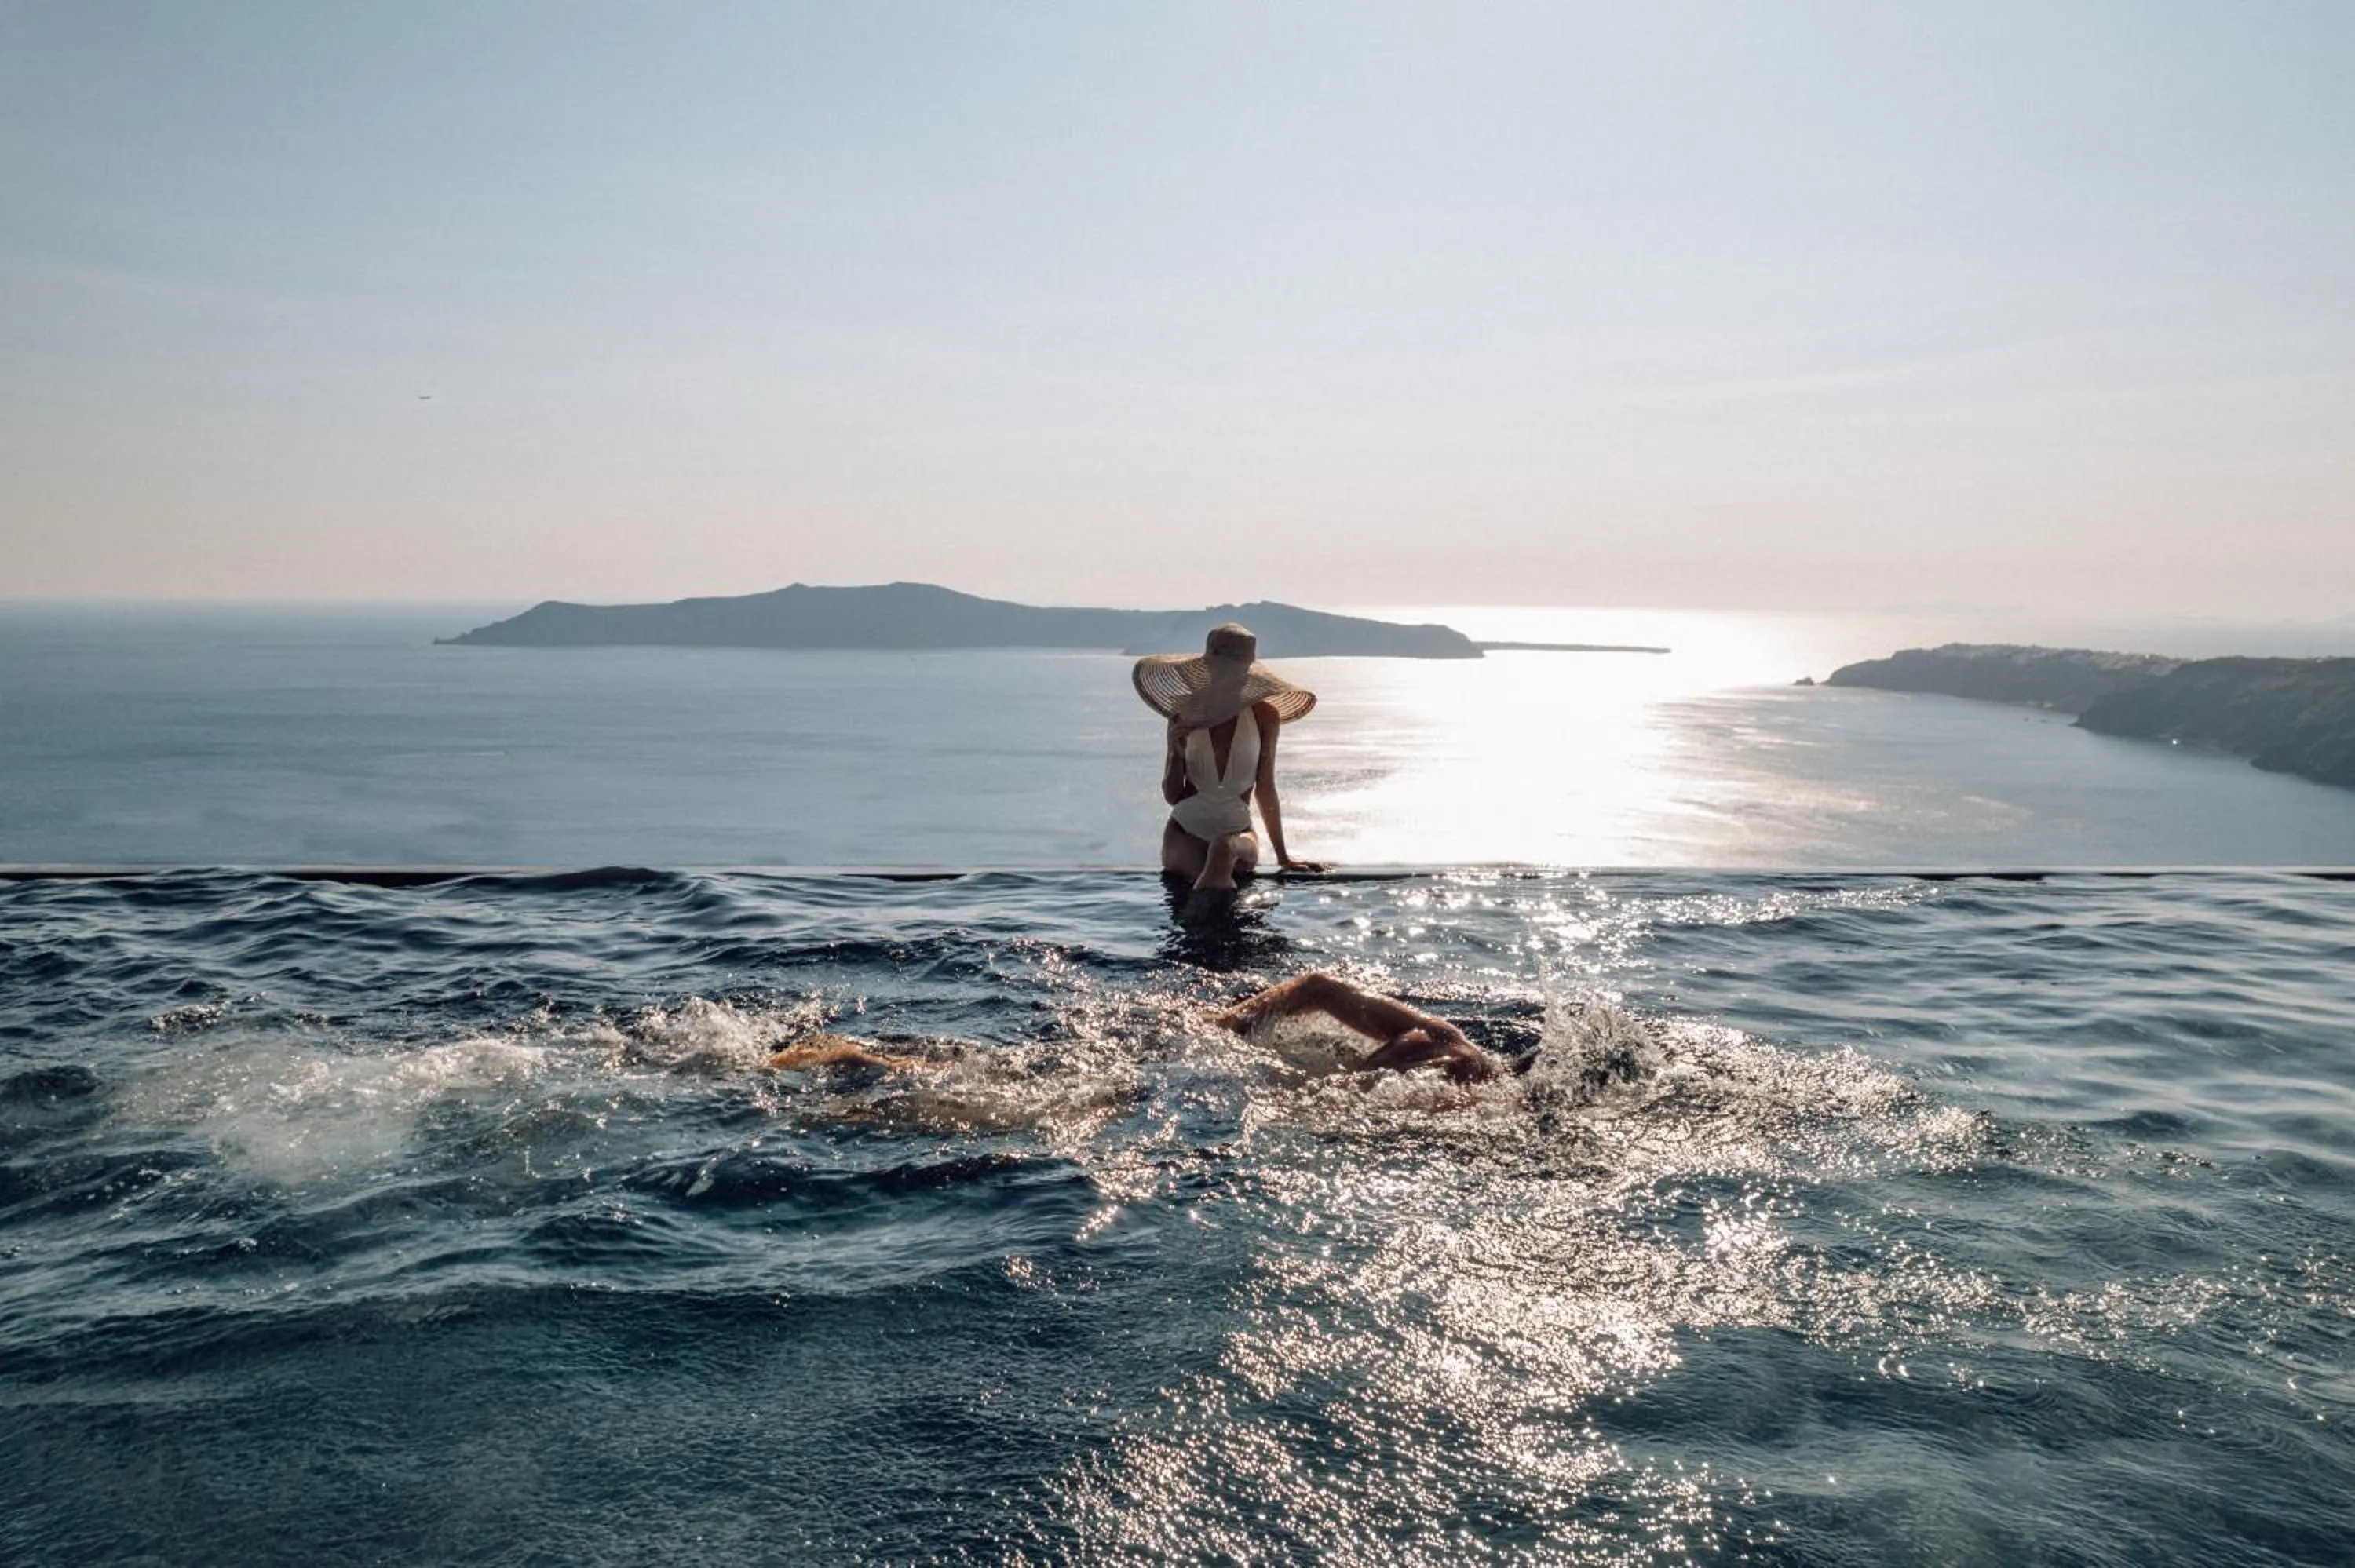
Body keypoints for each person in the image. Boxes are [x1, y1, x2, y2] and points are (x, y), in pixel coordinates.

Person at [1132, 622, 1326, 892]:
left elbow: (1266, 788)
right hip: (1183, 832)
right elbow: (1173, 795)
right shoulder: (1184, 712)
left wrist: (1283, 857)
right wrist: (1175, 753)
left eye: (1233, 670)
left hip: (1238, 833)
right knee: (1200, 896)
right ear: (1208, 667)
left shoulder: (1265, 716)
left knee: (1223, 850)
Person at [1212, 969, 1499, 1085]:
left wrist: (1224, 1023)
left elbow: (1317, 987)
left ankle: (1223, 1023)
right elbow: (1317, 987)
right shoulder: (1441, 1038)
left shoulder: (1442, 1038)